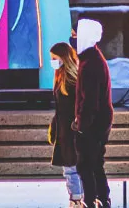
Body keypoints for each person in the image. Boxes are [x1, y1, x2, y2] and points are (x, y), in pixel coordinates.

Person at [73, 19, 114, 208]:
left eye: (76, 35)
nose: (73, 39)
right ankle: (100, 199)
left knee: (87, 164)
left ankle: (91, 200)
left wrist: (81, 124)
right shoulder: (92, 59)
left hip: (93, 124)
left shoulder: (90, 64)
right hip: (98, 121)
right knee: (94, 163)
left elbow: (90, 99)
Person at [47, 42, 83, 208]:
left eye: (55, 58)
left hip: (72, 130)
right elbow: (59, 108)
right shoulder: (60, 77)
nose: (53, 61)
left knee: (71, 167)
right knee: (69, 166)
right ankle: (75, 197)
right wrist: (54, 127)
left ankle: (77, 198)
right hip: (64, 129)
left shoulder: (72, 80)